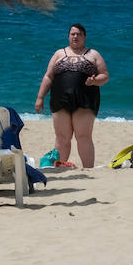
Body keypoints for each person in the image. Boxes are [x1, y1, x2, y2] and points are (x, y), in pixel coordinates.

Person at [34, 24, 110, 169]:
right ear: (68, 36)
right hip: (60, 100)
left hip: (85, 100)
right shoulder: (59, 53)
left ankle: (88, 169)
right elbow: (48, 77)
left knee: (83, 136)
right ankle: (59, 168)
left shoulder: (93, 54)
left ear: (84, 37)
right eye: (73, 34)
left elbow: (105, 76)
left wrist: (95, 81)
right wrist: (40, 97)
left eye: (79, 34)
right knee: (62, 137)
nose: (75, 37)